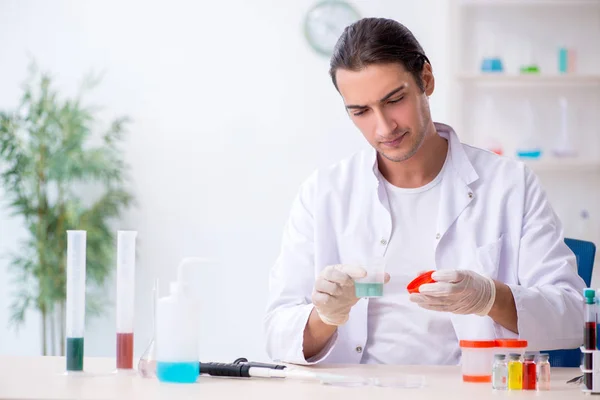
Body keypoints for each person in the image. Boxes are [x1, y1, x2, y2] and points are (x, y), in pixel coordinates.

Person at [264, 17, 585, 365]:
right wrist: (325, 316)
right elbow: (276, 334)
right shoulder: (324, 193)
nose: (384, 127)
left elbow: (574, 317)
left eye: (394, 100)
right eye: (361, 112)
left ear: (426, 80)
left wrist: (491, 298)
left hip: (470, 389)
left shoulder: (510, 185)